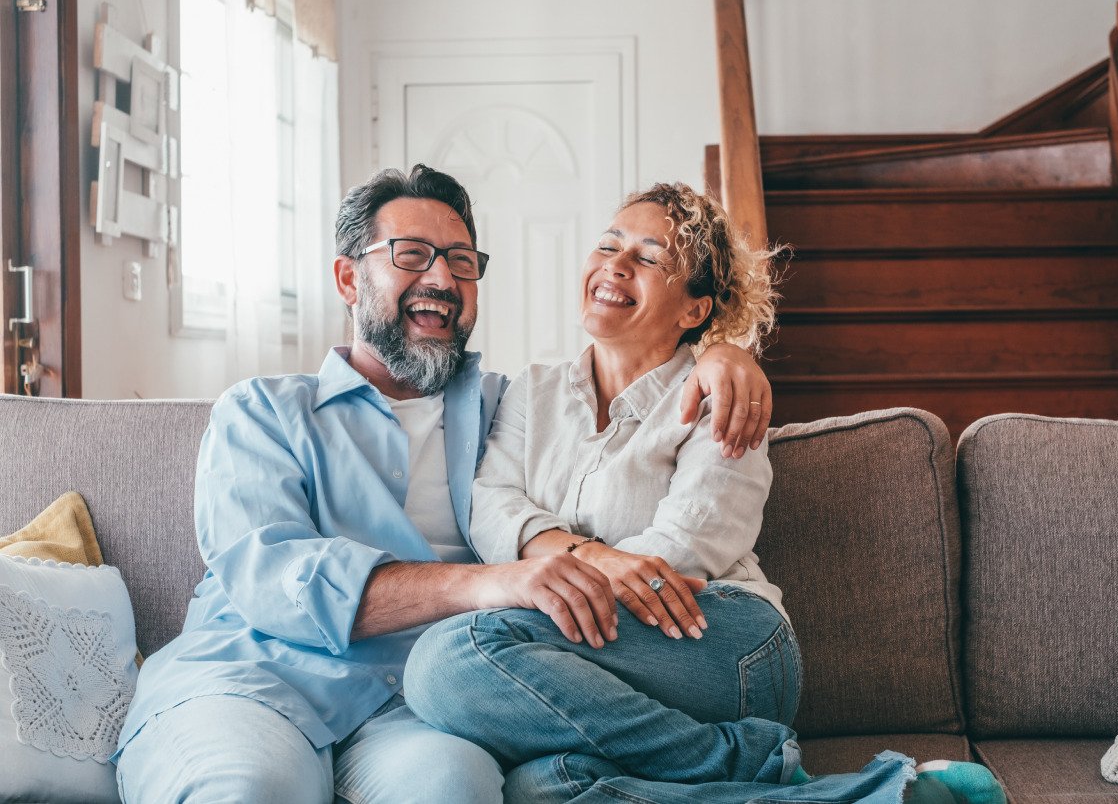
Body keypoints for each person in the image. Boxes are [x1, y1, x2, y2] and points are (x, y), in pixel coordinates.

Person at [111, 165, 773, 804]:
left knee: (455, 788)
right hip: (253, 681)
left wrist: (724, 354)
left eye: (461, 261)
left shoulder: (506, 405)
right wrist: (492, 583)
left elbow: (638, 368)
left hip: (414, 704)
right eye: (411, 254)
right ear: (348, 278)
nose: (441, 277)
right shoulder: (261, 410)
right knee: (248, 792)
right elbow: (272, 577)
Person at [403, 184, 1007, 804]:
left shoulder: (722, 391)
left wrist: (560, 573)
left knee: (449, 658)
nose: (615, 264)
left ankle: (758, 763)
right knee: (542, 788)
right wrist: (589, 559)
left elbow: (687, 546)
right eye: (608, 245)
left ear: (694, 311)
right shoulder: (534, 390)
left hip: (719, 636)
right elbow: (492, 503)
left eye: (648, 257)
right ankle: (876, 798)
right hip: (601, 650)